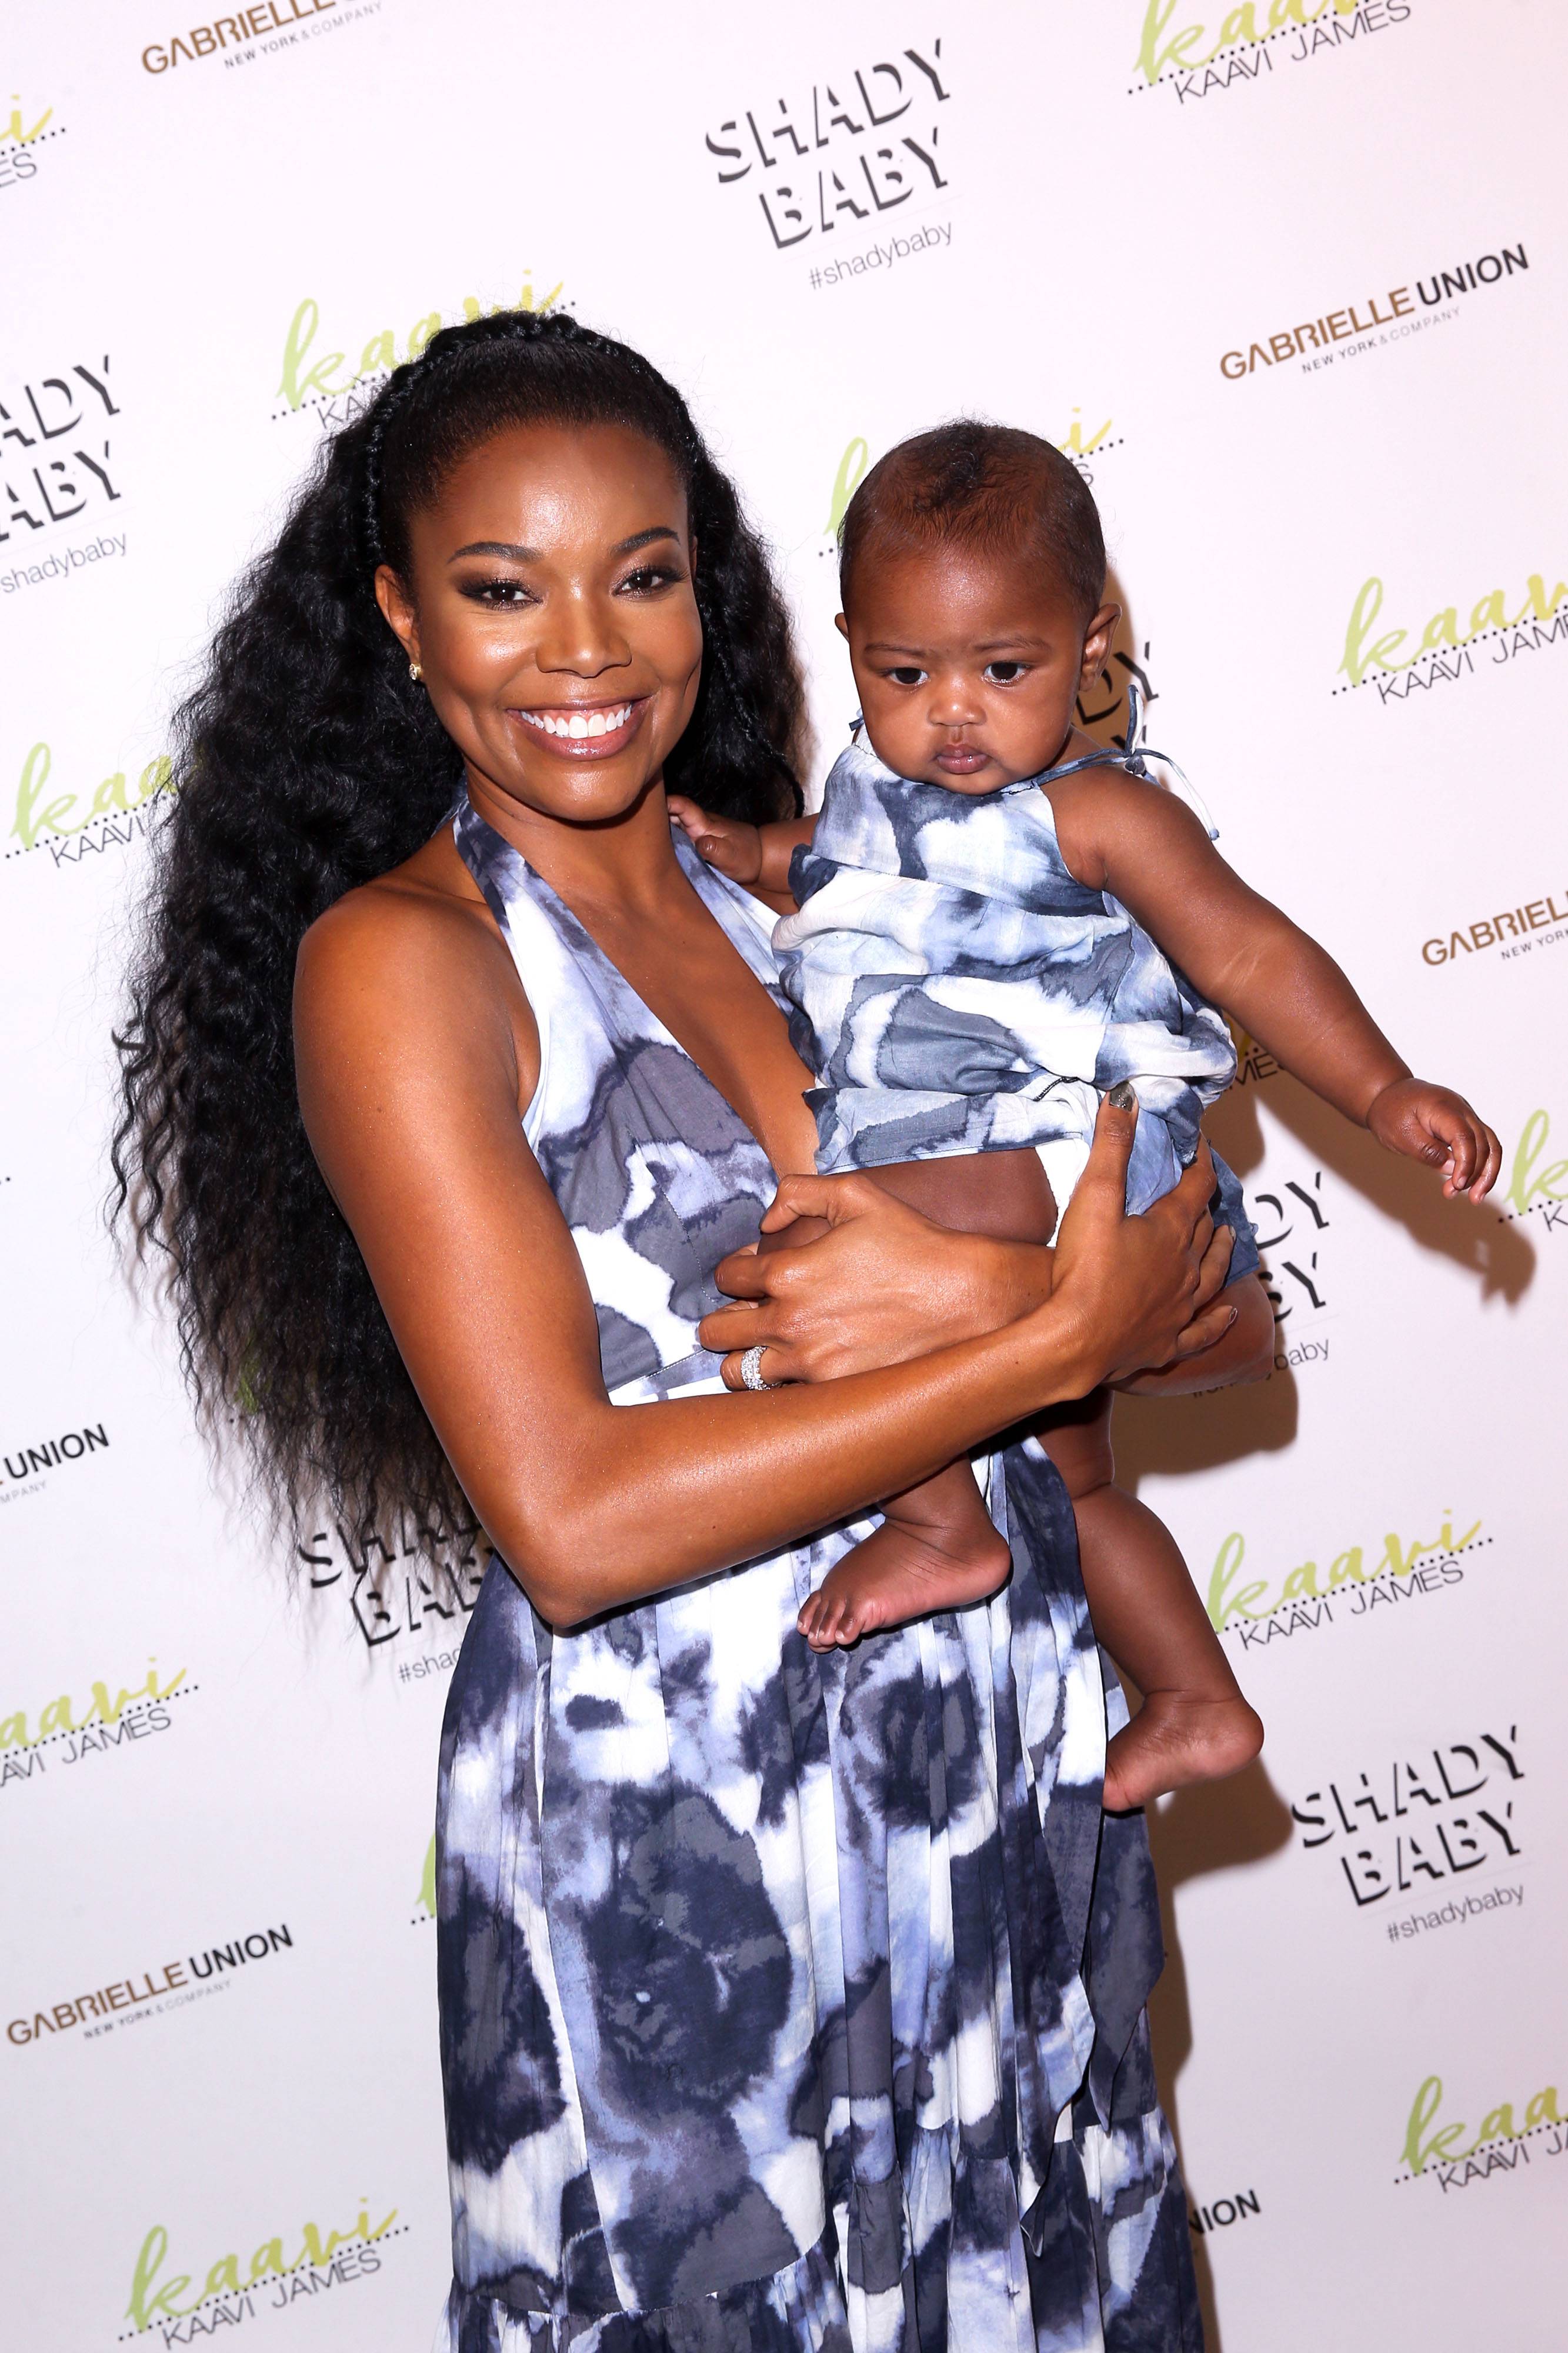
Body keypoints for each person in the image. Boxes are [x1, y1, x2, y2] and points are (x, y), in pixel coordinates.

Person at [113, 315, 1266, 2351]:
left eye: (638, 576)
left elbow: (1202, 1311)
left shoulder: (817, 884)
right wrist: (1021, 1339)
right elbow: (565, 1514)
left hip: (1000, 1786)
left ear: (706, 590)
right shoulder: (407, 967)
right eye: (499, 586)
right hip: (702, 1865)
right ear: (397, 613)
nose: (582, 648)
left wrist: (991, 1301)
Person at [671, 422, 1500, 1814]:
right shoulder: (866, 799)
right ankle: (1192, 1693)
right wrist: (736, 854)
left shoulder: (1098, 811)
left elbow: (1250, 957)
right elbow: (815, 868)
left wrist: (1381, 1089)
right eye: (904, 671)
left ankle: (938, 1525)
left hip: (1085, 1144)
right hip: (989, 1157)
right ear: (849, 643)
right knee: (1073, 1476)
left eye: (1005, 669)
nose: (953, 712)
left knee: (831, 1246)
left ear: (1091, 635)